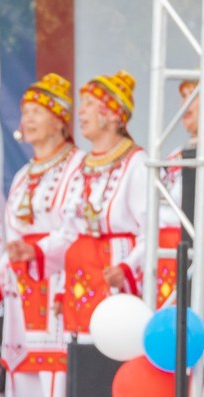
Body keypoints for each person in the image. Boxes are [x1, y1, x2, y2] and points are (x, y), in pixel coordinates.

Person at [0, 74, 80, 397]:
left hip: (60, 286)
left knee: (58, 375)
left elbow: (77, 227)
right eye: (24, 112)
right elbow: (13, 242)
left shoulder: (78, 166)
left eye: (36, 111)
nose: (26, 119)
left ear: (59, 118)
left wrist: (39, 250)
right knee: (24, 370)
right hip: (23, 290)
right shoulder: (22, 175)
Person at [60, 73, 146, 333]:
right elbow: (68, 232)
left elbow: (151, 231)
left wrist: (128, 267)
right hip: (80, 279)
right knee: (79, 354)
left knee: (113, 344)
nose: (80, 112)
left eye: (87, 103)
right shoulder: (79, 165)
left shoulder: (137, 163)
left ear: (111, 114)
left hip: (114, 273)